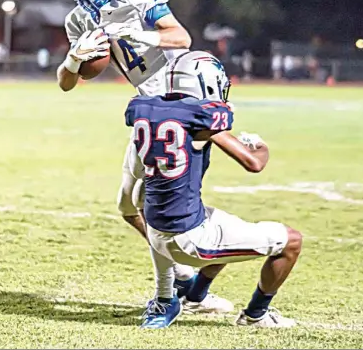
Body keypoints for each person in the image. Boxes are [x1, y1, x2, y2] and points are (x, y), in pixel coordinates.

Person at [56, 0, 232, 313]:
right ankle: (188, 281)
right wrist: (73, 60)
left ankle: (180, 289)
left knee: (149, 205)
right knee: (129, 204)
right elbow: (67, 82)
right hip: (148, 109)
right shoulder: (79, 20)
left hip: (179, 99)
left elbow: (181, 37)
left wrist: (141, 34)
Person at [125, 50, 302, 328]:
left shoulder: (145, 111)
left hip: (155, 228)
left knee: (225, 224)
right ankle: (256, 315)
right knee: (291, 241)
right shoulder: (200, 119)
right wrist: (261, 147)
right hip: (187, 238)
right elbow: (254, 163)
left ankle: (187, 298)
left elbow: (137, 172)